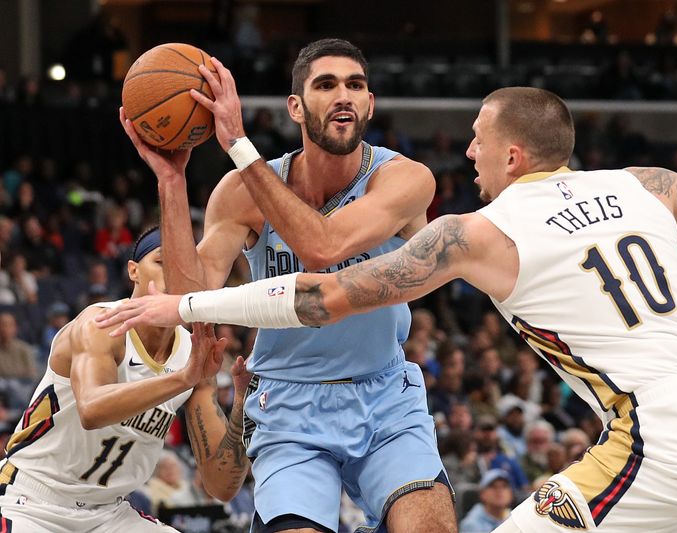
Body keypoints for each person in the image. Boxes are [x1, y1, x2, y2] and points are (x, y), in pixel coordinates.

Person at [102, 86, 677, 532]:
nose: (469, 152)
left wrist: (185, 299)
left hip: (663, 437)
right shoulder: (645, 186)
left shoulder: (478, 231)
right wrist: (666, 224)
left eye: (479, 140)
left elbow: (323, 293)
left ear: (515, 155)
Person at [118, 39, 455, 533]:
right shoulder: (241, 192)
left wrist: (237, 143)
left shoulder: (404, 179)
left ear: (370, 103)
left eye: (355, 85)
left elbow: (324, 245)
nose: (344, 95)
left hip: (384, 393)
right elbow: (192, 299)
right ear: (295, 106)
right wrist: (172, 183)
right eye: (326, 85)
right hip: (287, 402)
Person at [0, 227, 250, 533]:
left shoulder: (193, 353)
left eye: (185, 268)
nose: (174, 276)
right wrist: (184, 379)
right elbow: (92, 411)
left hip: (110, 514)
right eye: (161, 263)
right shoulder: (102, 325)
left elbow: (222, 486)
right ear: (133, 271)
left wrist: (240, 405)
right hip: (33, 501)